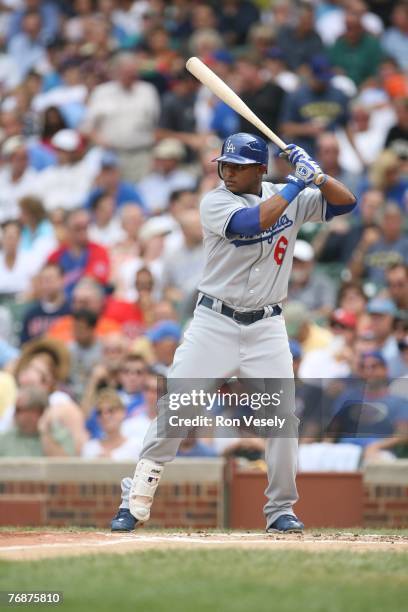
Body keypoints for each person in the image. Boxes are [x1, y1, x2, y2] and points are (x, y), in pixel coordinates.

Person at [110, 131, 356, 533]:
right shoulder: (217, 200)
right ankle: (135, 501)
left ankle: (280, 510)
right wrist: (297, 183)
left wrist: (320, 177)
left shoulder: (286, 192)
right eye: (225, 165)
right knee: (177, 407)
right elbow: (249, 223)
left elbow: (347, 203)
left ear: (260, 170)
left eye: (239, 167)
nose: (229, 172)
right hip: (215, 321)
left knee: (282, 419)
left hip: (267, 325)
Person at [20, 262, 70, 344]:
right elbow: (24, 345)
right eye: (42, 280)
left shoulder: (70, 311)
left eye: (50, 280)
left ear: (62, 280)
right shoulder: (31, 313)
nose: (46, 285)